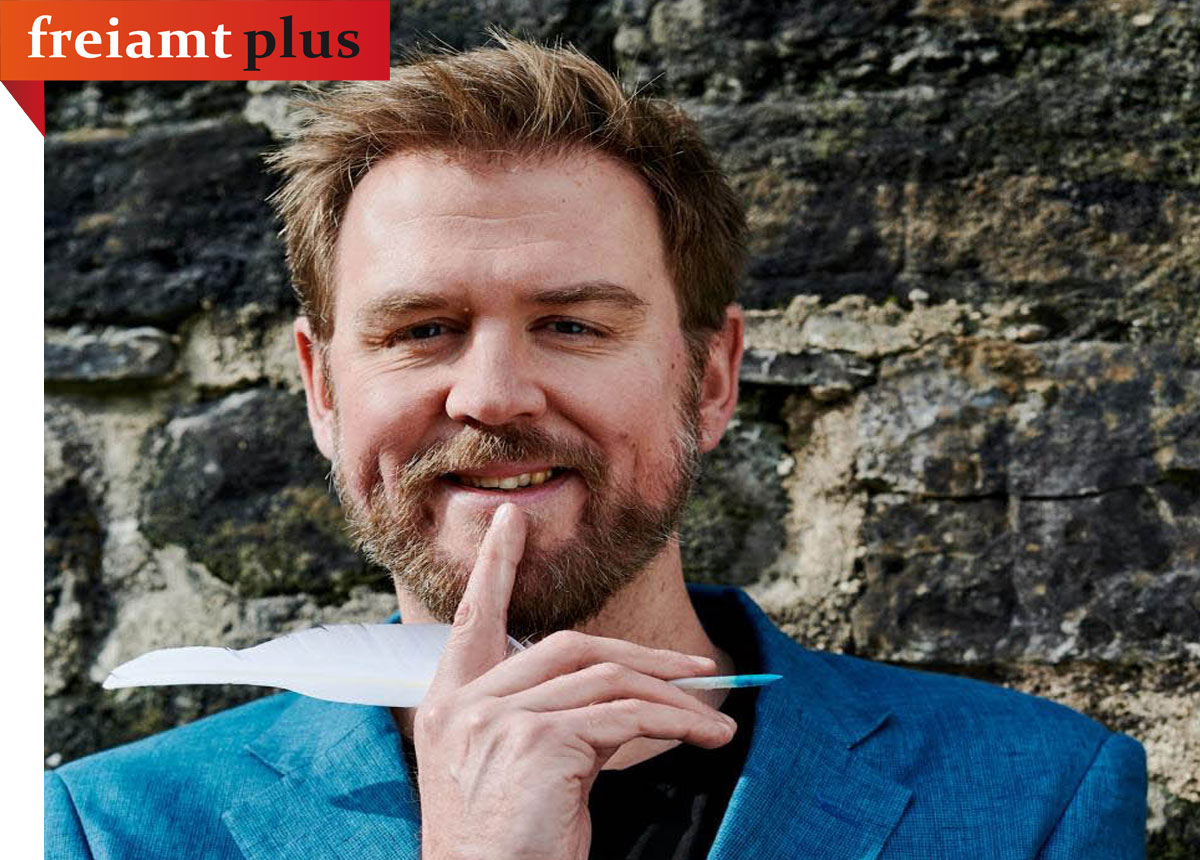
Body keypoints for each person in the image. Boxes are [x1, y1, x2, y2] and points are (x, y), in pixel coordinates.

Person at [45, 35, 1147, 859]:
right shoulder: (109, 830)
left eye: (572, 324)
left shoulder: (1036, 796)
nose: (492, 395)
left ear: (710, 379)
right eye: (421, 329)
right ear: (324, 390)